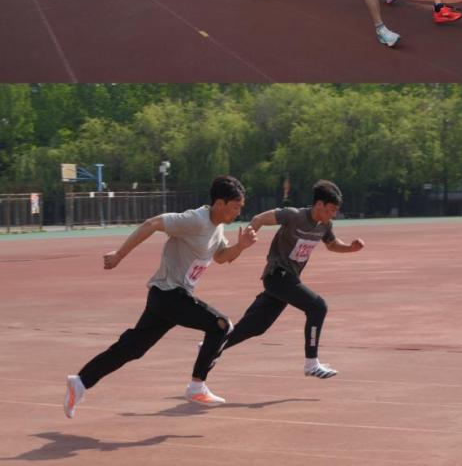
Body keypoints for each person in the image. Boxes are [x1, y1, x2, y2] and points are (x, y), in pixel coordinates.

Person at [63, 176, 257, 417]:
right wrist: (120, 255)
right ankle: (197, 385)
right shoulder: (195, 219)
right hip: (169, 294)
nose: (239, 212)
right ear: (219, 203)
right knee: (221, 325)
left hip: (168, 298)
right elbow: (152, 224)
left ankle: (80, 382)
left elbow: (220, 257)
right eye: (236, 207)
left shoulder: (216, 228)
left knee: (133, 348)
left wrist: (241, 247)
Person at [211, 180, 364, 381]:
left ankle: (211, 347)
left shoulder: (325, 225)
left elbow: (332, 244)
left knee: (255, 326)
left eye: (335, 211)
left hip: (288, 280)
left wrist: (350, 248)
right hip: (277, 275)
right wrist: (245, 239)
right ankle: (311, 363)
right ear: (319, 204)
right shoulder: (294, 215)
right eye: (331, 209)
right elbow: (259, 218)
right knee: (318, 307)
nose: (333, 214)